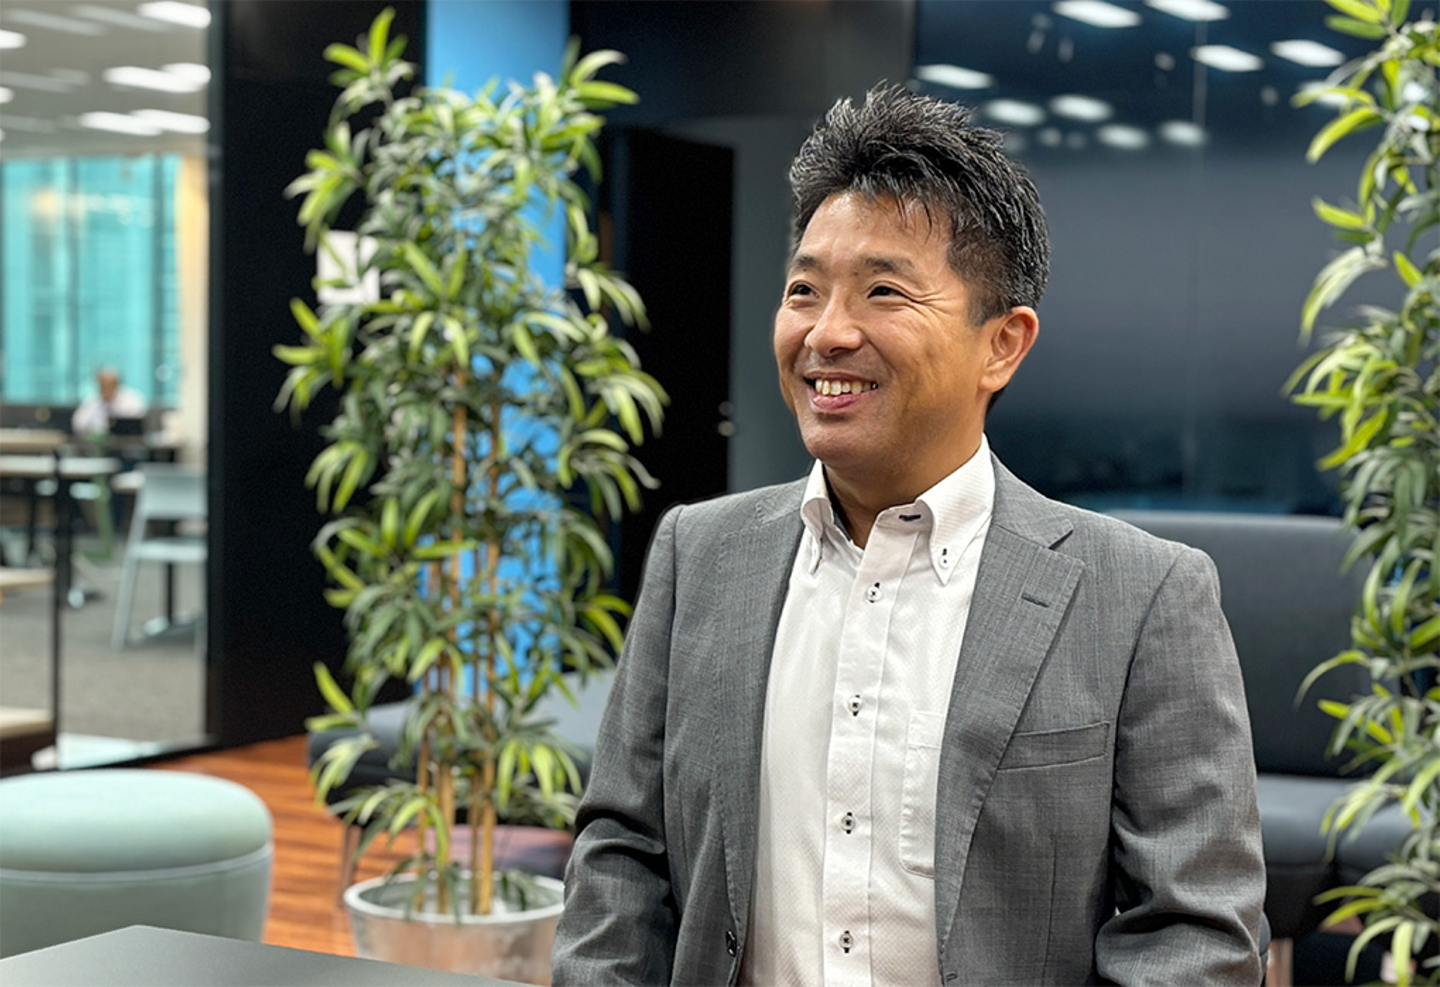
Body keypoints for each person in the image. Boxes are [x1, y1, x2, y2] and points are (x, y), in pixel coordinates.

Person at [552, 86, 1265, 986]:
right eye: (804, 290)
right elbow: (623, 852)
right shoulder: (700, 554)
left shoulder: (1141, 596)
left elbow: (1196, 932)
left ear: (1002, 344)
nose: (827, 332)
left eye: (883, 290)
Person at [71, 367, 148, 437]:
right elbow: (78, 424)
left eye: (109, 385)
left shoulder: (132, 399)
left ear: (116, 383)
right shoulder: (91, 402)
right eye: (102, 385)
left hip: (127, 442)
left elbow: (139, 421)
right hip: (98, 443)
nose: (105, 388)